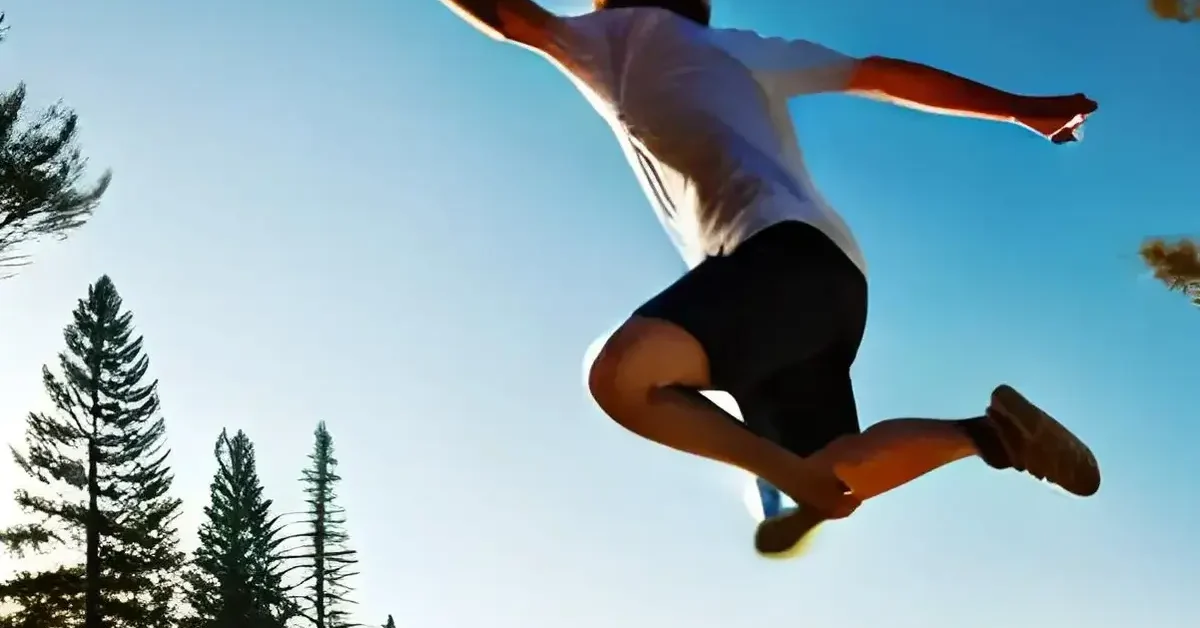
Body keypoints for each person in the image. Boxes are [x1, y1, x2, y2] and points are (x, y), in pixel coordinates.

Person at [437, 0, 1102, 556]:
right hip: (830, 280)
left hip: (774, 260)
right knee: (842, 470)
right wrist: (1020, 107)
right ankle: (991, 435)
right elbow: (877, 73)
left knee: (621, 377)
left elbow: (513, 17)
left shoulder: (614, 34)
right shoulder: (739, 48)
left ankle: (781, 474)